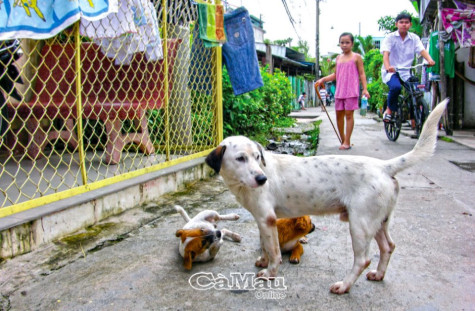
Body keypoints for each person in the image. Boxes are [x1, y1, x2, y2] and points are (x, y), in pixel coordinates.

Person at [316, 32, 370, 150]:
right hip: (339, 91)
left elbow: (362, 73)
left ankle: (347, 141)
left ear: (352, 44)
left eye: (347, 42)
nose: (344, 45)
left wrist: (365, 89)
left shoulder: (356, 57)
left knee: (349, 116)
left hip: (351, 91)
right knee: (339, 116)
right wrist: (323, 79)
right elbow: (336, 74)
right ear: (339, 44)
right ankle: (343, 139)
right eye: (342, 42)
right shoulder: (338, 58)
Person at [381, 12, 435, 124]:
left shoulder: (414, 38)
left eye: (406, 22)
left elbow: (422, 50)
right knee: (396, 87)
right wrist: (388, 67)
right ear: (396, 24)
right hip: (392, 71)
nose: (404, 25)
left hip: (406, 72)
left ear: (410, 24)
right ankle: (389, 110)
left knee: (415, 91)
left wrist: (429, 60)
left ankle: (414, 120)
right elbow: (386, 54)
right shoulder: (390, 38)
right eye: (401, 22)